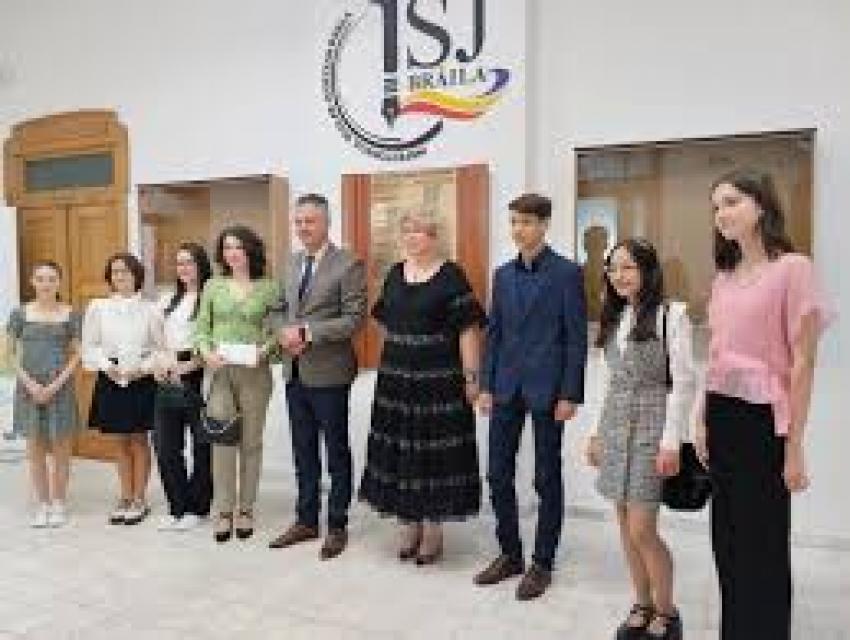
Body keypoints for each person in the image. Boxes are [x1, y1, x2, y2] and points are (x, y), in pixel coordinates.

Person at [696, 169, 833, 639]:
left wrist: (794, 446)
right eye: (716, 207)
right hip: (722, 414)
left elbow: (804, 363)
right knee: (727, 542)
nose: (721, 214)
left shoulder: (794, 269)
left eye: (732, 201)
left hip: (763, 422)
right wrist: (701, 419)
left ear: (761, 205)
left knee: (764, 545)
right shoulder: (723, 278)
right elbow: (715, 357)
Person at [475, 193, 588, 600]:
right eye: (514, 222)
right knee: (497, 474)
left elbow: (575, 338)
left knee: (546, 477)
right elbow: (494, 335)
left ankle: (542, 562)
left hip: (548, 389)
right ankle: (510, 553)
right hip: (505, 386)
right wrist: (485, 385)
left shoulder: (567, 273)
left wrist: (570, 393)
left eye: (525, 222)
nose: (518, 229)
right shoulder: (503, 275)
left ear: (543, 225)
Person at [359, 210, 484, 564]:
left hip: (440, 383)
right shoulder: (395, 274)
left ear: (434, 236)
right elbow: (384, 319)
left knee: (434, 455)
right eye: (407, 231)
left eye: (420, 231)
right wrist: (405, 346)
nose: (412, 237)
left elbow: (468, 329)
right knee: (401, 451)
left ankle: (432, 529)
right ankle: (408, 523)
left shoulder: (452, 275)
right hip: (396, 382)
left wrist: (472, 378)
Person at [585, 238, 696, 640]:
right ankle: (642, 602)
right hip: (615, 427)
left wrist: (672, 441)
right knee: (623, 525)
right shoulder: (615, 317)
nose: (619, 275)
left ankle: (666, 611)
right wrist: (595, 433)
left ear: (648, 271)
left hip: (653, 428)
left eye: (628, 267)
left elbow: (683, 383)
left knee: (642, 530)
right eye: (613, 268)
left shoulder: (672, 315)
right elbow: (607, 381)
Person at [268, 193, 366, 560]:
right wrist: (282, 332)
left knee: (336, 450)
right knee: (303, 449)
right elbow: (277, 308)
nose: (303, 228)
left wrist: (306, 332)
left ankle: (337, 524)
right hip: (294, 371)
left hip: (330, 373)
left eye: (310, 221)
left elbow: (354, 318)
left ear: (326, 223)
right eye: (298, 221)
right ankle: (306, 520)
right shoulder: (291, 263)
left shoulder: (348, 264)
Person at [195, 225, 279, 543]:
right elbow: (201, 329)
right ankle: (224, 510)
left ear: (250, 251)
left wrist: (264, 351)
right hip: (220, 374)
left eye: (238, 247)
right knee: (222, 441)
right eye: (227, 247)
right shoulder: (213, 286)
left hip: (255, 373)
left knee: (251, 442)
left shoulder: (270, 288)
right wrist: (206, 353)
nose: (232, 253)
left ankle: (246, 508)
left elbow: (278, 330)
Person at [82, 252, 161, 525]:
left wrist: (143, 368)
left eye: (125, 271)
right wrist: (107, 366)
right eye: (115, 271)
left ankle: (140, 499)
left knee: (139, 440)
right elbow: (89, 346)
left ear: (136, 275)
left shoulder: (151, 309)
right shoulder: (98, 307)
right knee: (119, 441)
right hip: (111, 376)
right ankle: (125, 496)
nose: (120, 276)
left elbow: (160, 348)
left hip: (142, 378)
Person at [7, 261, 81, 528]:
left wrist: (55, 385)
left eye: (51, 279)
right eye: (40, 278)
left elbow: (77, 354)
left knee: (62, 449)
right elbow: (9, 353)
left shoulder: (71, 314)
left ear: (59, 282)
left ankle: (59, 503)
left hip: (60, 388)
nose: (46, 284)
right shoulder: (19, 314)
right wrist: (29, 383)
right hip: (29, 388)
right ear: (32, 281)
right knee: (35, 449)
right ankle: (43, 504)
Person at [153, 243, 213, 532]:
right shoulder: (167, 300)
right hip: (168, 373)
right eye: (179, 263)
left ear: (201, 264)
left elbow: (213, 340)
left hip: (198, 374)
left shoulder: (210, 298)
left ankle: (197, 508)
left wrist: (188, 367)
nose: (183, 268)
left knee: (202, 445)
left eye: (189, 262)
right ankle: (176, 506)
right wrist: (162, 364)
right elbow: (158, 338)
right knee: (166, 446)